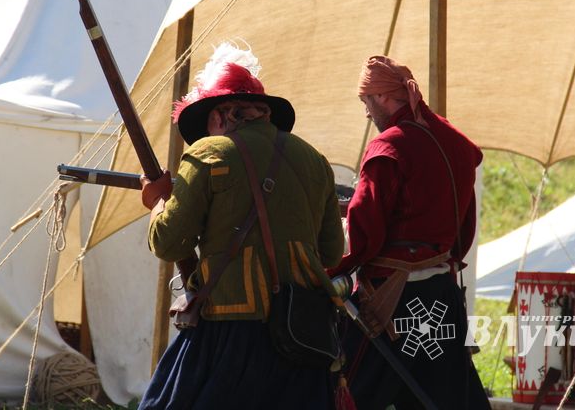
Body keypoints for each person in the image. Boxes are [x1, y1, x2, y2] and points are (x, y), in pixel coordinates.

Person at [138, 43, 344, 409]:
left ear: (221, 115)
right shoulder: (316, 161)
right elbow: (328, 252)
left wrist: (157, 200)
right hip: (302, 331)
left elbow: (168, 242)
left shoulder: (208, 153)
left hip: (231, 332)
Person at [330, 55, 491, 410]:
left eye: (366, 102)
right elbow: (463, 227)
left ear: (384, 97)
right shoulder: (455, 141)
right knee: (446, 398)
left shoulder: (388, 146)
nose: (367, 113)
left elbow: (364, 233)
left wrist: (330, 270)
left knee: (351, 395)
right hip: (442, 296)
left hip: (394, 301)